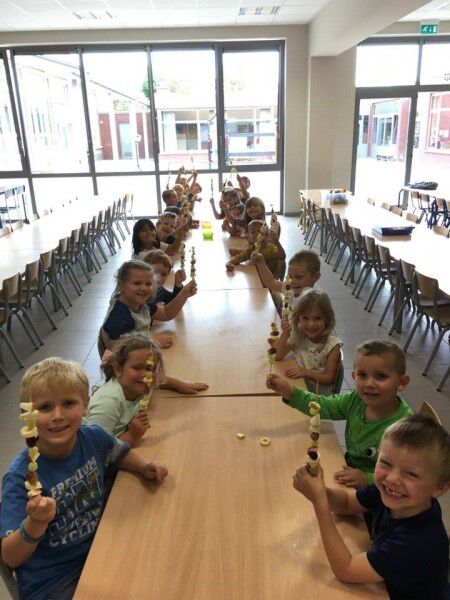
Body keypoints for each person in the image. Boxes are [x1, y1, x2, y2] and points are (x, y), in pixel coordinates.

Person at [0, 357, 168, 600]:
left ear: (85, 404)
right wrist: (34, 523)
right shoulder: (19, 478)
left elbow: (119, 453)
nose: (58, 415)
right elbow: (9, 557)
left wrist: (143, 466)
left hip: (100, 546)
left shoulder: (93, 438)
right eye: (45, 407)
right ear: (27, 414)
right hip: (55, 580)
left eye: (68, 403)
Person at [292, 414, 450, 600]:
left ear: (439, 488)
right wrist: (318, 490)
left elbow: (346, 569)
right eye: (385, 463)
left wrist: (320, 502)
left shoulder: (416, 543)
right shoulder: (393, 493)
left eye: (411, 474)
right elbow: (347, 503)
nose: (392, 478)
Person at [267, 339, 412, 487]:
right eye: (362, 375)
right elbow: (322, 405)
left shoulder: (405, 429)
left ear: (401, 383)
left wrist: (367, 479)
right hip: (348, 468)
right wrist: (289, 392)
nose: (369, 384)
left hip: (381, 490)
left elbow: (404, 474)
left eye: (381, 376)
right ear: (354, 377)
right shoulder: (355, 400)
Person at [87, 334, 208, 445]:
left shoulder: (137, 386)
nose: (147, 375)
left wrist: (178, 384)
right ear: (118, 369)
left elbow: (156, 378)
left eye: (151, 368)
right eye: (137, 367)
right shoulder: (109, 402)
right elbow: (96, 449)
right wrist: (132, 436)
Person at [99, 260, 196, 352]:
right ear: (121, 285)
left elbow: (166, 313)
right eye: (137, 283)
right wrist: (152, 341)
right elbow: (120, 350)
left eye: (148, 284)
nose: (144, 288)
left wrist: (184, 294)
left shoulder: (139, 304)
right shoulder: (118, 316)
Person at [274, 290, 342, 394]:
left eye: (317, 318)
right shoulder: (298, 336)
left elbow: (328, 379)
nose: (311, 324)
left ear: (327, 319)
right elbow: (278, 356)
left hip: (316, 396)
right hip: (296, 387)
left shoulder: (332, 346)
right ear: (298, 319)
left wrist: (305, 372)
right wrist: (286, 333)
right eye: (305, 318)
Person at [252, 249, 321, 312]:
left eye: (299, 277)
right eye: (290, 277)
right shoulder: (290, 288)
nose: (293, 281)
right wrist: (260, 262)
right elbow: (271, 282)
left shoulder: (312, 302)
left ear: (316, 277)